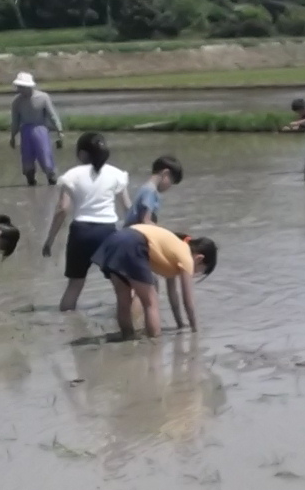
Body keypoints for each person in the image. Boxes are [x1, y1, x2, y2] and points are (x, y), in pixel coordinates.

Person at [41, 132, 132, 312]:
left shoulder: (72, 175)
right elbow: (128, 208)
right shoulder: (116, 174)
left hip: (80, 233)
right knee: (121, 284)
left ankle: (65, 323)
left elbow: (62, 209)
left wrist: (49, 240)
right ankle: (128, 320)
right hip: (108, 233)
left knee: (74, 285)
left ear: (82, 154)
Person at [93, 223, 216, 338]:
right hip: (133, 243)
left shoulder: (175, 248)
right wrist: (196, 330)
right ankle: (155, 343)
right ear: (199, 258)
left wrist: (180, 324)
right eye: (199, 270)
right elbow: (188, 301)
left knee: (124, 299)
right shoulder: (186, 257)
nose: (194, 273)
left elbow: (173, 294)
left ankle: (127, 337)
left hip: (115, 240)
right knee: (151, 303)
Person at [8, 73, 64, 186]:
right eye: (19, 87)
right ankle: (30, 180)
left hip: (40, 130)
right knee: (27, 158)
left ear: (29, 87)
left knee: (45, 154)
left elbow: (52, 115)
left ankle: (51, 178)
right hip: (26, 131)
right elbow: (15, 121)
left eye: (22, 87)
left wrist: (59, 131)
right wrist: (13, 136)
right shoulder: (17, 102)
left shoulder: (43, 98)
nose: (20, 90)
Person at [131, 156, 183, 224]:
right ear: (165, 173)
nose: (170, 186)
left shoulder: (145, 189)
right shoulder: (150, 191)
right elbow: (146, 221)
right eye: (171, 182)